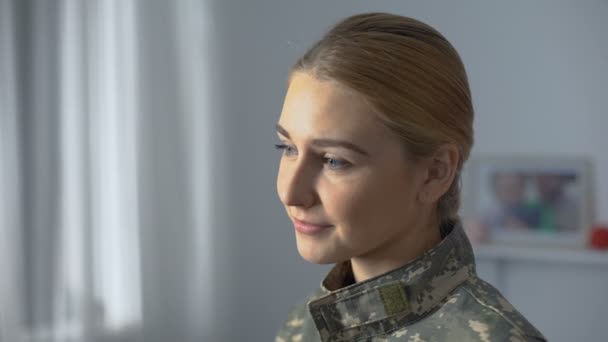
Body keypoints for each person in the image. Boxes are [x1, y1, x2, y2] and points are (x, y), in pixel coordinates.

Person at [274, 12, 546, 342]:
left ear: (434, 173)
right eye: (287, 147)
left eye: (334, 161)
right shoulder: (302, 326)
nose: (291, 193)